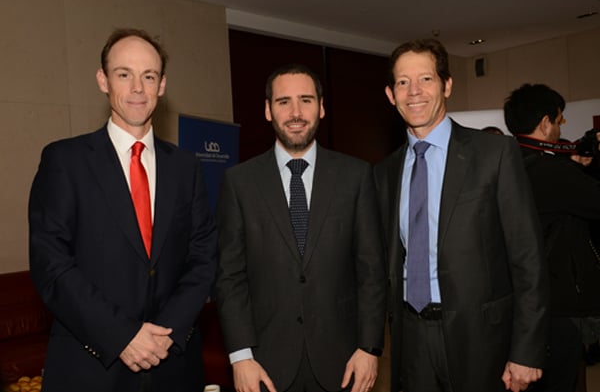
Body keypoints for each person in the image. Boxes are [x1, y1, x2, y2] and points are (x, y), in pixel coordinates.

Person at [28, 28, 217, 392]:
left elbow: (203, 258)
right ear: (103, 80)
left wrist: (166, 334)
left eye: (149, 76)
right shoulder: (64, 160)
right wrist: (122, 335)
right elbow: (51, 264)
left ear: (162, 85)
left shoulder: (186, 167)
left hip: (174, 367)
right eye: (124, 74)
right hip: (91, 370)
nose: (137, 88)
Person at [374, 39, 548, 392]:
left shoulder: (494, 153)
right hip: (410, 339)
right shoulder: (384, 172)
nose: (414, 91)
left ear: (447, 85)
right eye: (403, 82)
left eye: (426, 79)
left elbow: (528, 257)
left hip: (482, 340)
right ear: (391, 95)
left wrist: (526, 350)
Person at [216, 63, 386, 392]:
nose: (296, 113)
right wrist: (240, 356)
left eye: (306, 100)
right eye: (284, 102)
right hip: (264, 365)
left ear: (321, 107)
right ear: (268, 110)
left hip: (344, 362)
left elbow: (371, 271)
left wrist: (369, 348)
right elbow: (230, 277)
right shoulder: (239, 183)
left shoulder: (356, 176)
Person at [504, 83, 600, 392]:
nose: (560, 128)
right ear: (545, 123)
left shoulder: (505, 163)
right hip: (556, 304)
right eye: (559, 120)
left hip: (516, 300)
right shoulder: (554, 172)